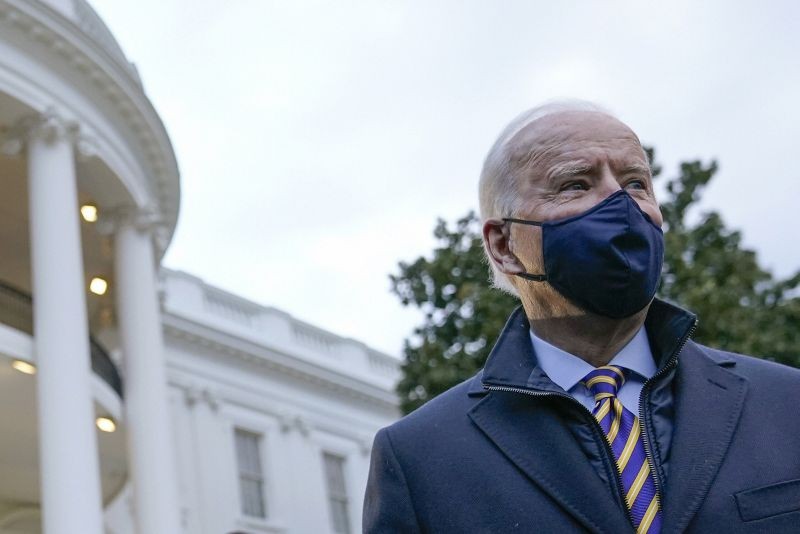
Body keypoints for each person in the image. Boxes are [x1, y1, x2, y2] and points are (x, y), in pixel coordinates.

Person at [363, 101, 800, 533]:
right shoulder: (420, 460)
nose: (620, 203)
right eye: (575, 184)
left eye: (635, 183)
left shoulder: (787, 403)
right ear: (504, 245)